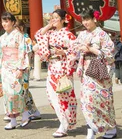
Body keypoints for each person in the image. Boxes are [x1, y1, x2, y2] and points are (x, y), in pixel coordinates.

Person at [74, 9, 117, 139]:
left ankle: (111, 128)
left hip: (99, 71)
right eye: (83, 20)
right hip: (86, 71)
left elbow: (110, 54)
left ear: (95, 19)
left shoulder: (102, 34)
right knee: (87, 100)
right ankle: (91, 130)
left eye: (88, 19)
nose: (85, 22)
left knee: (102, 101)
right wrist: (79, 50)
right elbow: (75, 50)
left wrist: (91, 49)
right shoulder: (81, 34)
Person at [35, 9, 76, 137]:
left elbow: (75, 52)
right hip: (52, 67)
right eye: (52, 17)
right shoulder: (50, 34)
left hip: (63, 67)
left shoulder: (69, 35)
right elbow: (39, 35)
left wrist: (64, 53)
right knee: (52, 96)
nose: (54, 20)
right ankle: (63, 123)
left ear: (64, 20)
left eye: (57, 18)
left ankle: (64, 124)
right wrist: (48, 25)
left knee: (63, 97)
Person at [0, 12, 30, 130]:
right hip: (5, 68)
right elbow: (0, 54)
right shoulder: (2, 37)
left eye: (7, 21)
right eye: (3, 21)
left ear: (13, 22)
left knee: (16, 92)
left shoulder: (18, 35)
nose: (4, 24)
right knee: (7, 95)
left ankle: (25, 114)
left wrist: (21, 68)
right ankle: (13, 120)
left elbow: (22, 51)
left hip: (15, 68)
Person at [15, 20, 41, 125]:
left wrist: (24, 67)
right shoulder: (15, 38)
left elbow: (28, 55)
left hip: (24, 68)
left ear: (21, 27)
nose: (15, 29)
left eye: (16, 26)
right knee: (21, 90)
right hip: (15, 67)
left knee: (23, 90)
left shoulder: (26, 39)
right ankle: (33, 111)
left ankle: (27, 111)